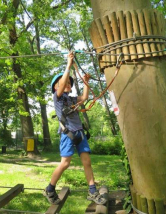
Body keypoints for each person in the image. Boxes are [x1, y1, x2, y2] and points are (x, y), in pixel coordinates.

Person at [43, 52, 106, 205]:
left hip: (79, 133)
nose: (67, 85)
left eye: (69, 84)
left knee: (87, 162)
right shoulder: (57, 98)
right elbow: (62, 82)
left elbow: (84, 98)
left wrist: (85, 82)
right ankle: (50, 189)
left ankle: (92, 191)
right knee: (65, 163)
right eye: (64, 83)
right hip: (68, 134)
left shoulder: (71, 99)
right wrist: (68, 65)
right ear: (56, 87)